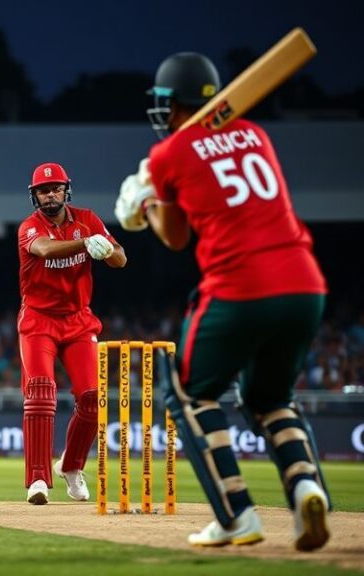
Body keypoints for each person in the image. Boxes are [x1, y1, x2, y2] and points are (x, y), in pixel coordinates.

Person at [114, 52, 331, 550]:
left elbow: (174, 237)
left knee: (189, 393)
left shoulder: (170, 153)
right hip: (304, 284)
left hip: (240, 285)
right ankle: (305, 489)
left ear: (169, 102)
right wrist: (155, 190)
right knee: (270, 399)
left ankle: (236, 515)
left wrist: (143, 203)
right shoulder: (257, 135)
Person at [18, 162, 127, 504]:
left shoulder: (88, 219)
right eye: (42, 191)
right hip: (39, 320)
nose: (50, 195)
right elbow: (46, 250)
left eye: (55, 189)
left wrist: (108, 250)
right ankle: (37, 478)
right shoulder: (30, 227)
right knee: (40, 392)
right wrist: (86, 245)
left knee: (94, 398)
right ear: (34, 196)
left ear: (67, 190)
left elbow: (121, 260)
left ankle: (71, 465)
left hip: (79, 321)